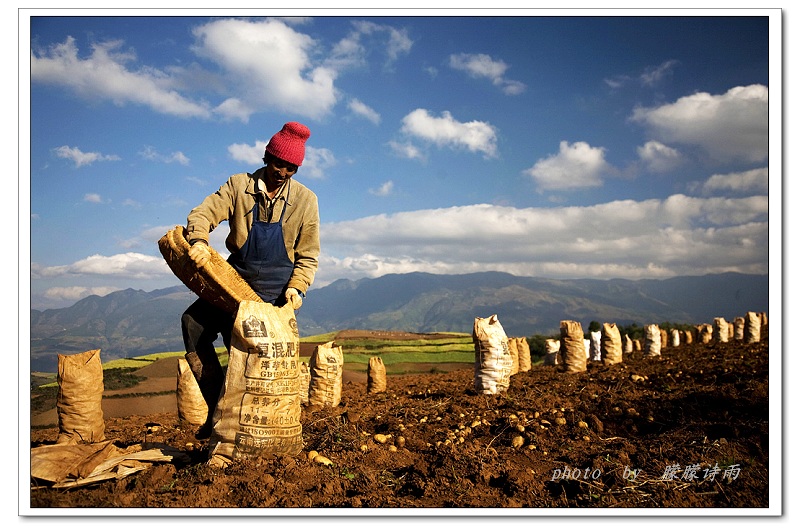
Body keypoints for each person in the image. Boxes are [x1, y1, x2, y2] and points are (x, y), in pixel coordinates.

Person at [180, 121, 320, 437]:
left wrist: (298, 288)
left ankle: (256, 425)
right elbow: (203, 213)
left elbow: (308, 255)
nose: (282, 172)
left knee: (248, 355)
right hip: (235, 282)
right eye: (278, 163)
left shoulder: (305, 200)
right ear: (266, 157)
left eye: (291, 167)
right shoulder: (238, 186)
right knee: (193, 324)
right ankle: (217, 408)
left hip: (276, 293)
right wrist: (199, 240)